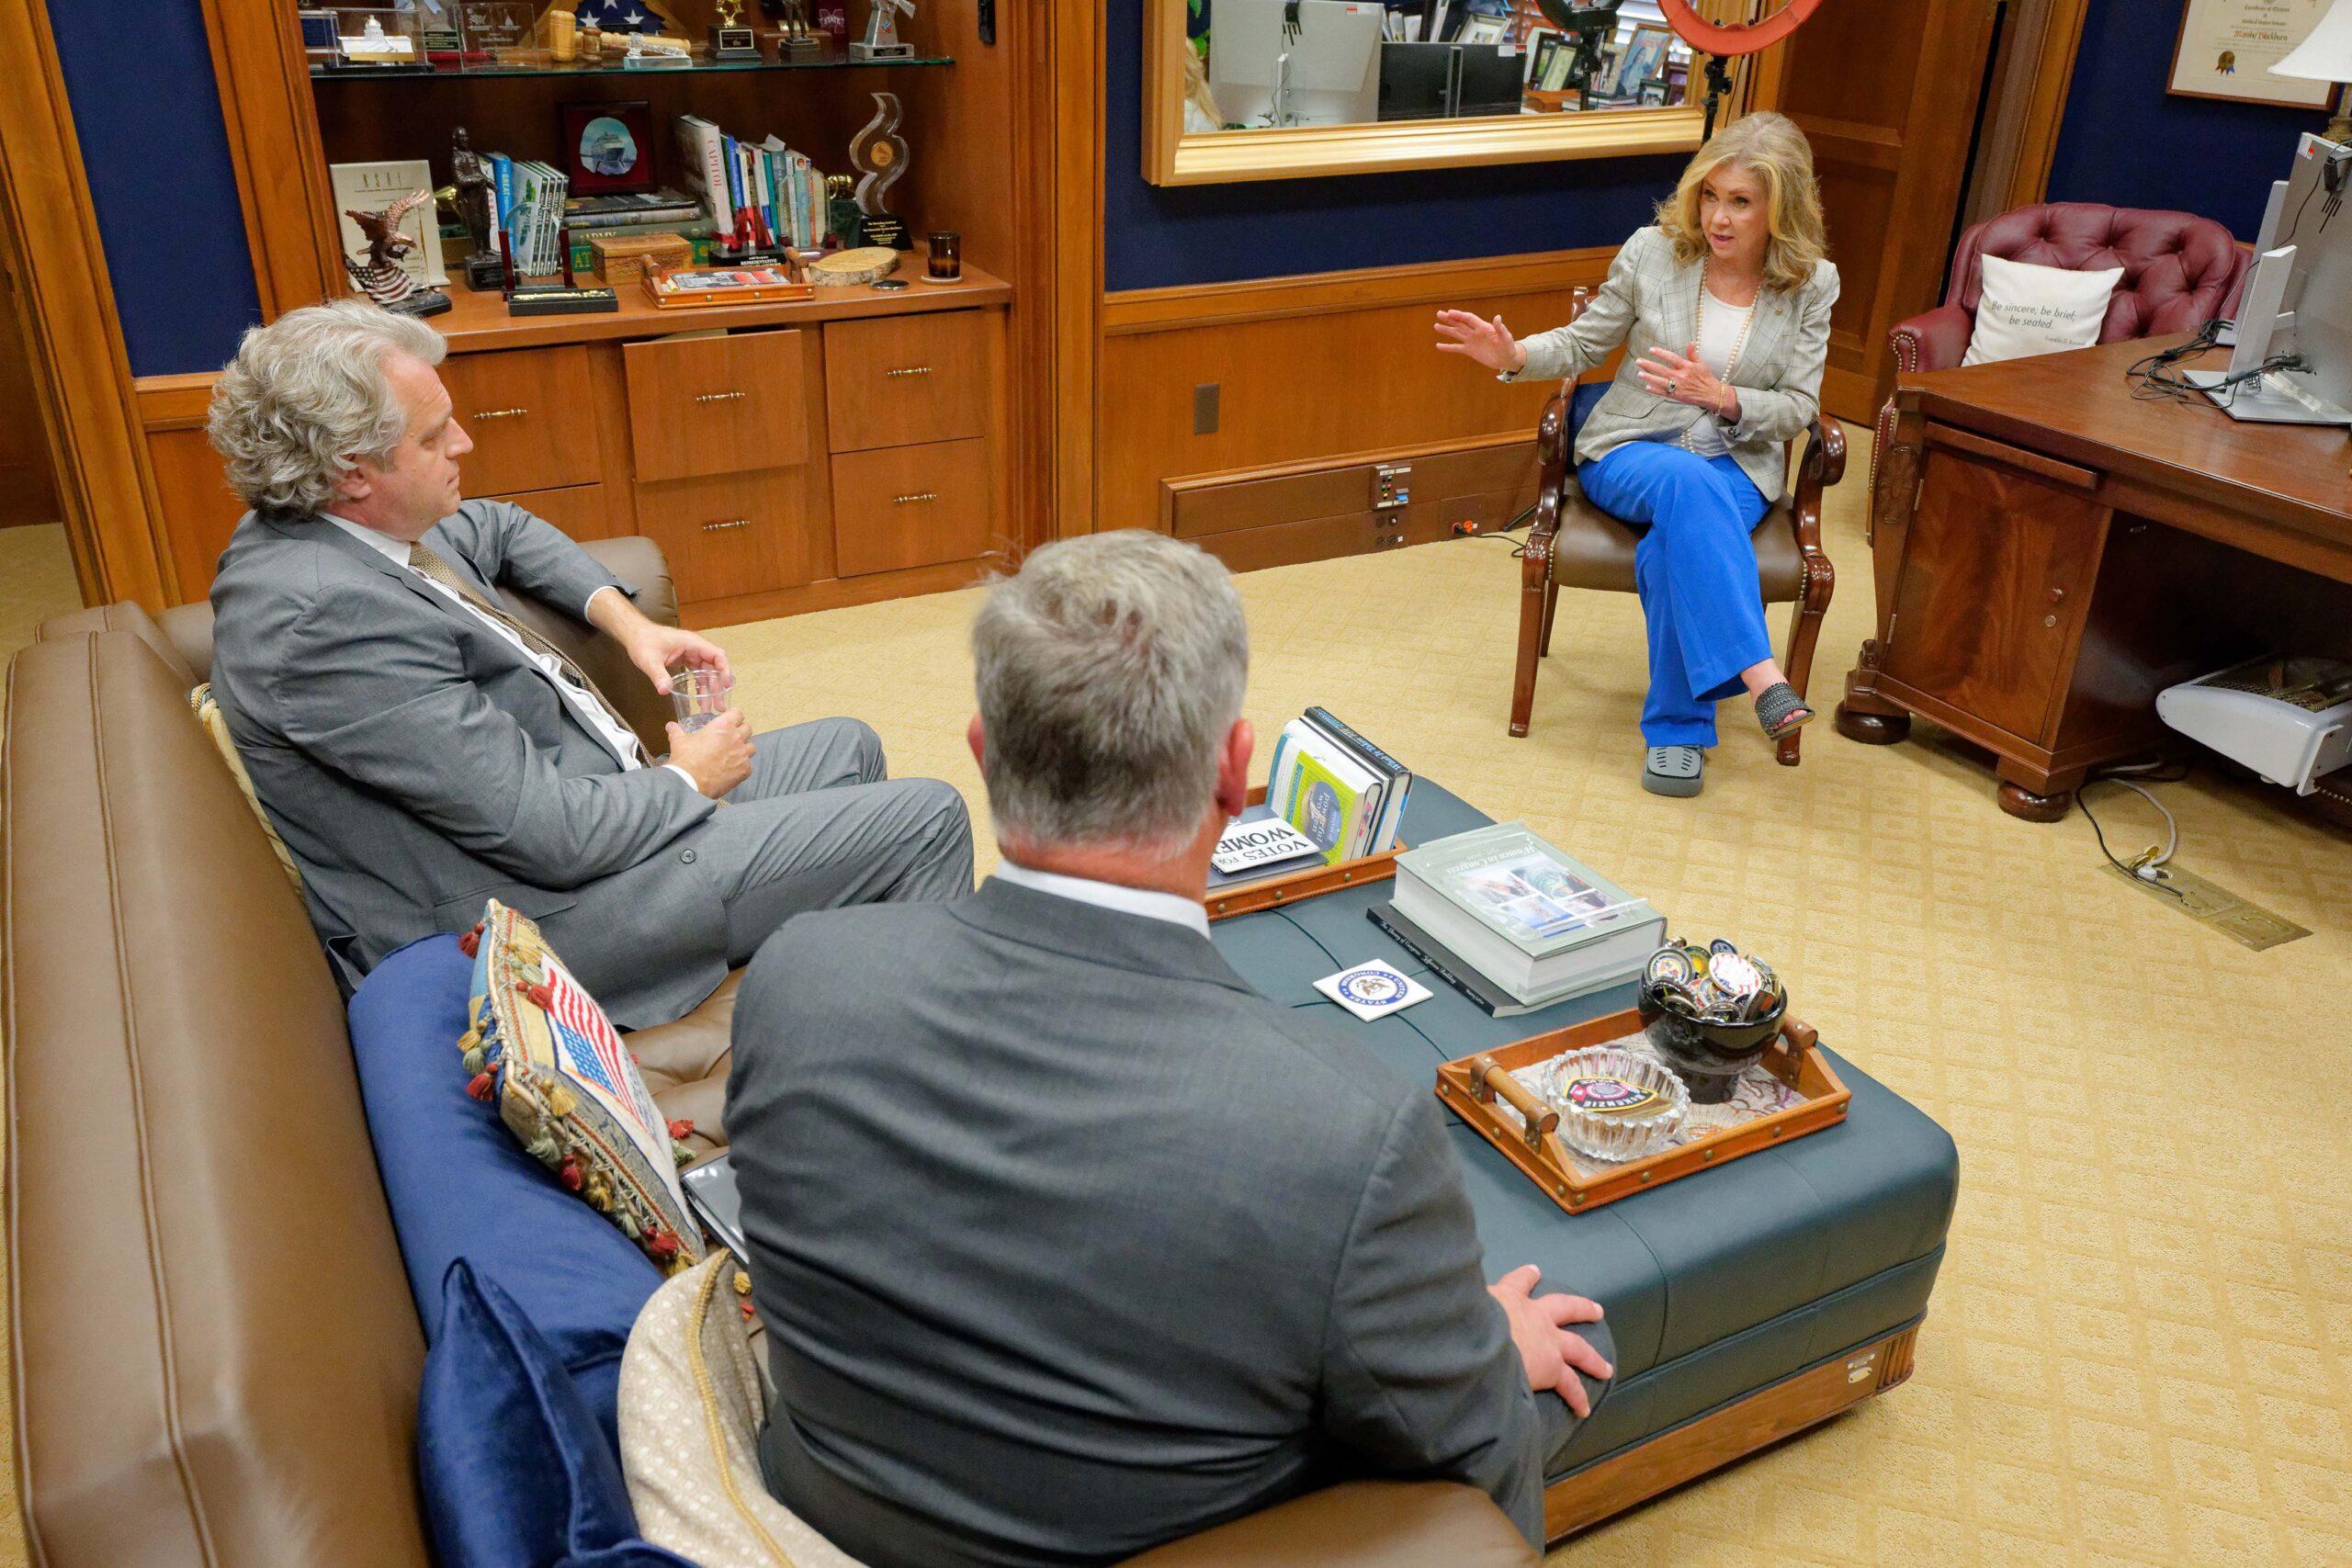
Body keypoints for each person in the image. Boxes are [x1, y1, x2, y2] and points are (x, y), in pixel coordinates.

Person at [725, 530, 1612, 1568]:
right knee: (1560, 1362)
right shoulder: (1345, 1129)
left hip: (832, 1518)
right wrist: (1490, 1357)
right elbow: (1460, 1443)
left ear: (979, 749)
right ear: (1237, 772)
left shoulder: (798, 973)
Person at [204, 299, 973, 1028]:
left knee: (850, 744)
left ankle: (843, 1001)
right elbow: (553, 837)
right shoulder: (327, 622)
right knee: (928, 817)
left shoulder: (349, 524)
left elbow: (499, 527)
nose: (464, 444)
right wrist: (686, 781)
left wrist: (632, 625)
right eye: (436, 437)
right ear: (351, 470)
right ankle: (926, 1073)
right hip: (533, 918)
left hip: (587, 801)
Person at [1435, 110, 1837, 798]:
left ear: (1781, 208)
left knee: (1670, 545)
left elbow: (1800, 407)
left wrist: (1725, 397)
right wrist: (1515, 355)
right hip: (1631, 448)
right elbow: (1586, 345)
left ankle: (1679, 728)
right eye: (1711, 195)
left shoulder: (1811, 284)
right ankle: (1759, 674)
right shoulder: (1655, 251)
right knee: (1683, 482)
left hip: (1736, 466)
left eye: (1741, 202)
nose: (1718, 217)